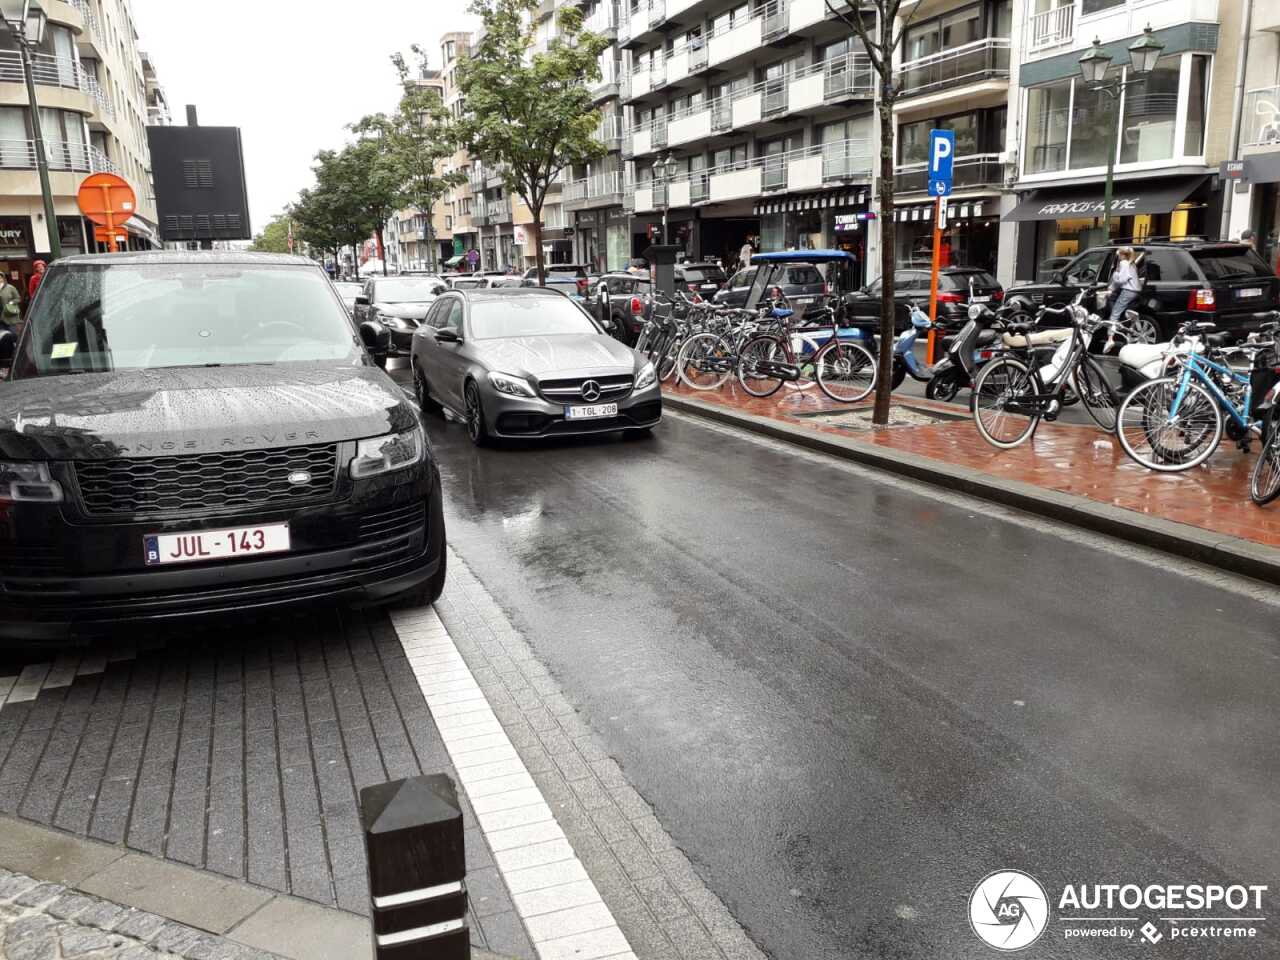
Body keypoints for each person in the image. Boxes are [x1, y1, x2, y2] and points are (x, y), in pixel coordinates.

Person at [1107, 246, 1141, 322]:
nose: (1118, 257)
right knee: (1117, 307)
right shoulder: (1131, 263)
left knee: (1114, 314)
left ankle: (1111, 333)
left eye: (1118, 255)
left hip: (1128, 291)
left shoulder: (1124, 263)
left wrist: (1115, 274)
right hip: (1134, 291)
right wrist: (1111, 288)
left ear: (1122, 255)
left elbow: (1121, 280)